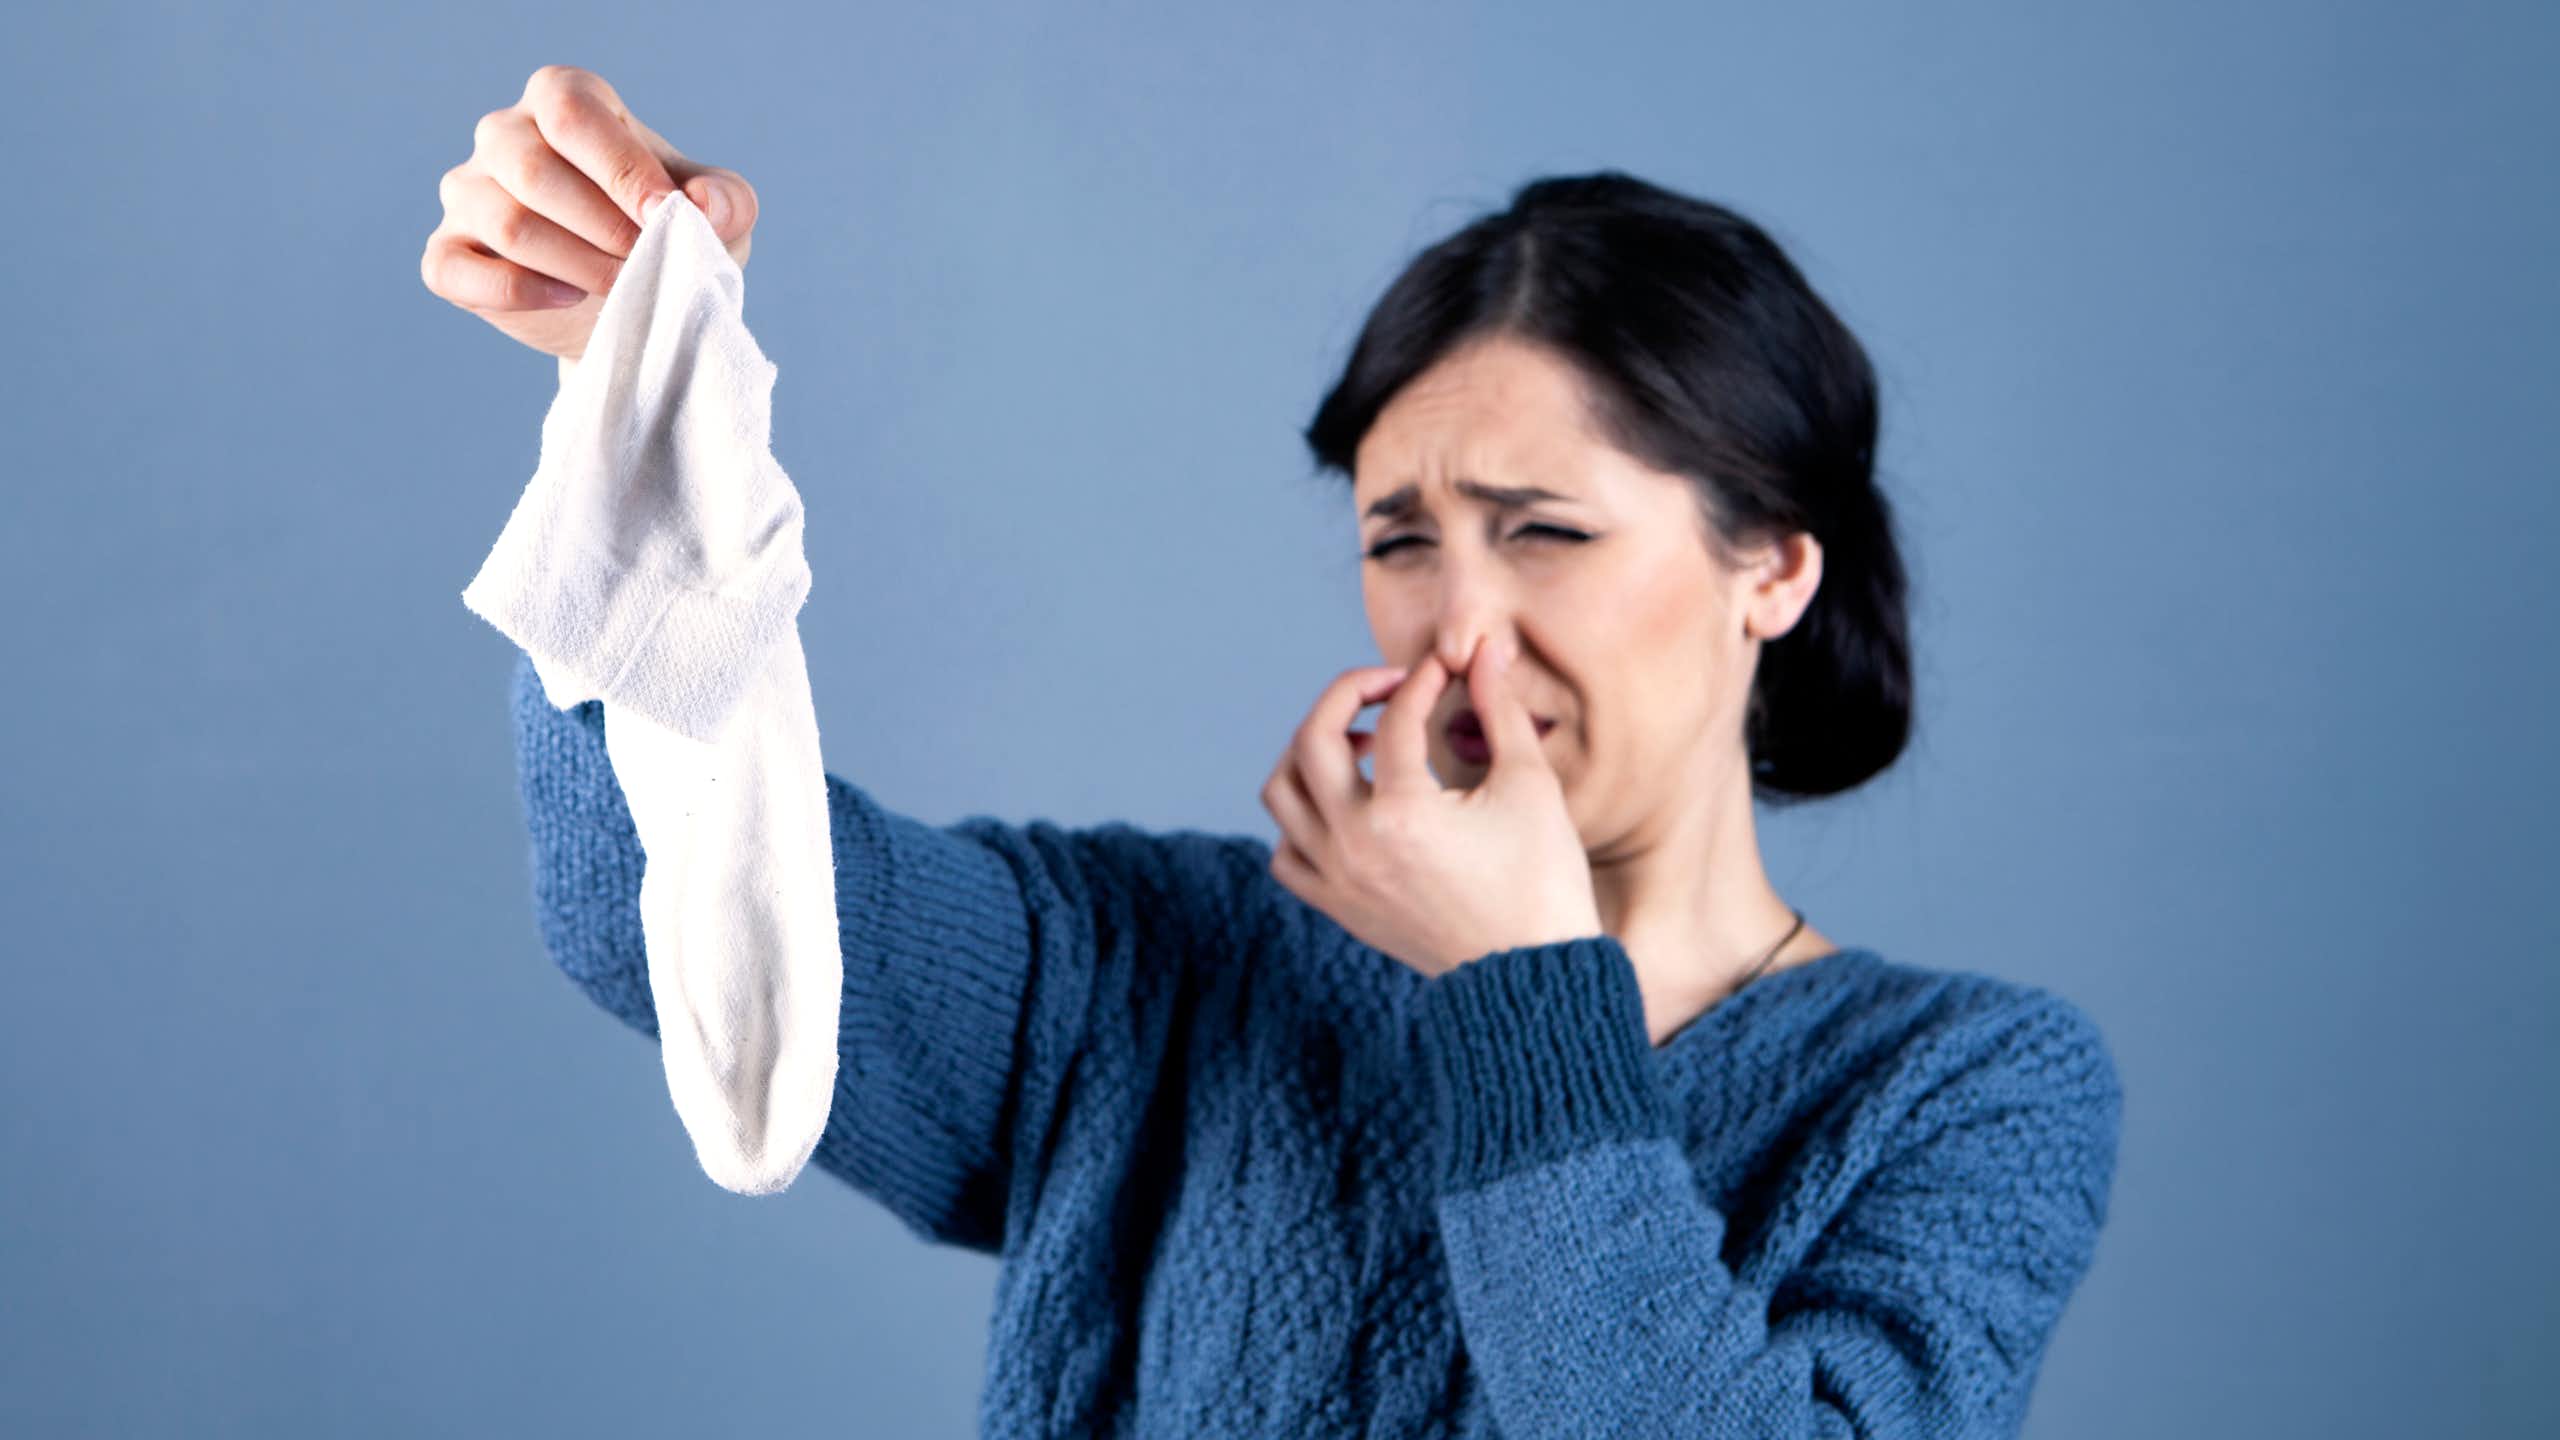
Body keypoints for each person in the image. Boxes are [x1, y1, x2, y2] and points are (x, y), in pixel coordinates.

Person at [430, 65, 2123, 1439]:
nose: (1458, 634)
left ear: (1773, 568)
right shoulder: (1161, 970)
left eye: (1543, 534)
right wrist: (642, 400)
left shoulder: (1967, 1092)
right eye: (1401, 542)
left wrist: (1516, 988)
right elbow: (652, 899)